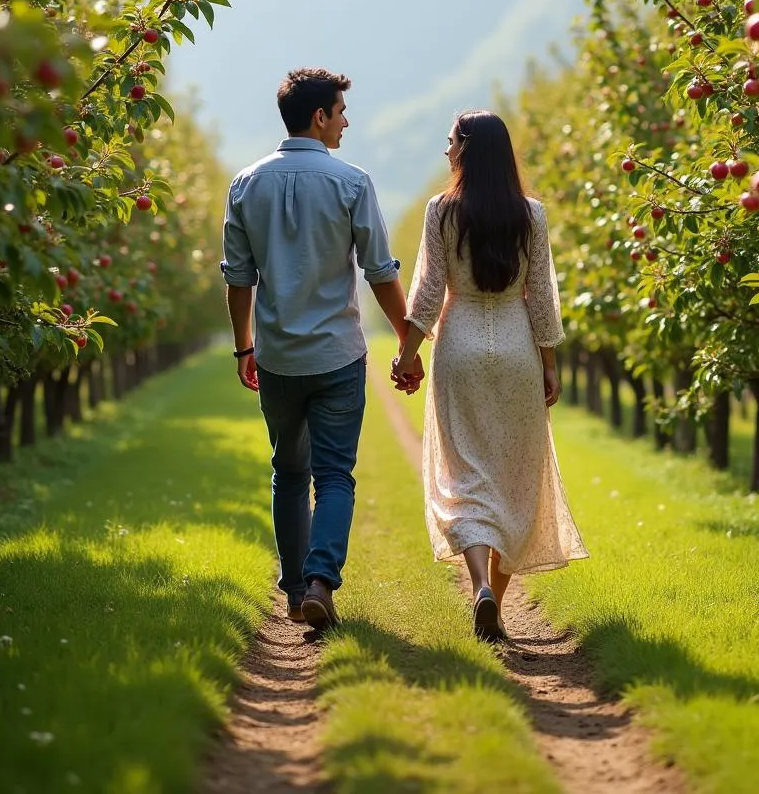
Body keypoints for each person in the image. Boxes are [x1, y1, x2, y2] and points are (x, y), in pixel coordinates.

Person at [221, 67, 421, 633]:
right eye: (340, 111)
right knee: (334, 475)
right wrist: (407, 341)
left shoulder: (245, 184)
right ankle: (319, 581)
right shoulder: (353, 183)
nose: (345, 121)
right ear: (320, 117)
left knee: (288, 470)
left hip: (278, 356)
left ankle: (293, 592)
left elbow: (239, 276)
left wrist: (244, 348)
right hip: (337, 354)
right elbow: (380, 272)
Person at [391, 110, 588, 641]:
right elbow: (542, 297)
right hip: (517, 347)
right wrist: (550, 364)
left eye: (451, 141)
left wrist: (407, 354)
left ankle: (478, 584)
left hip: (459, 349)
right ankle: (494, 606)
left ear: (469, 150)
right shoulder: (532, 215)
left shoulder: (443, 211)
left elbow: (429, 291)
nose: (446, 150)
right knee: (514, 479)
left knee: (465, 477)